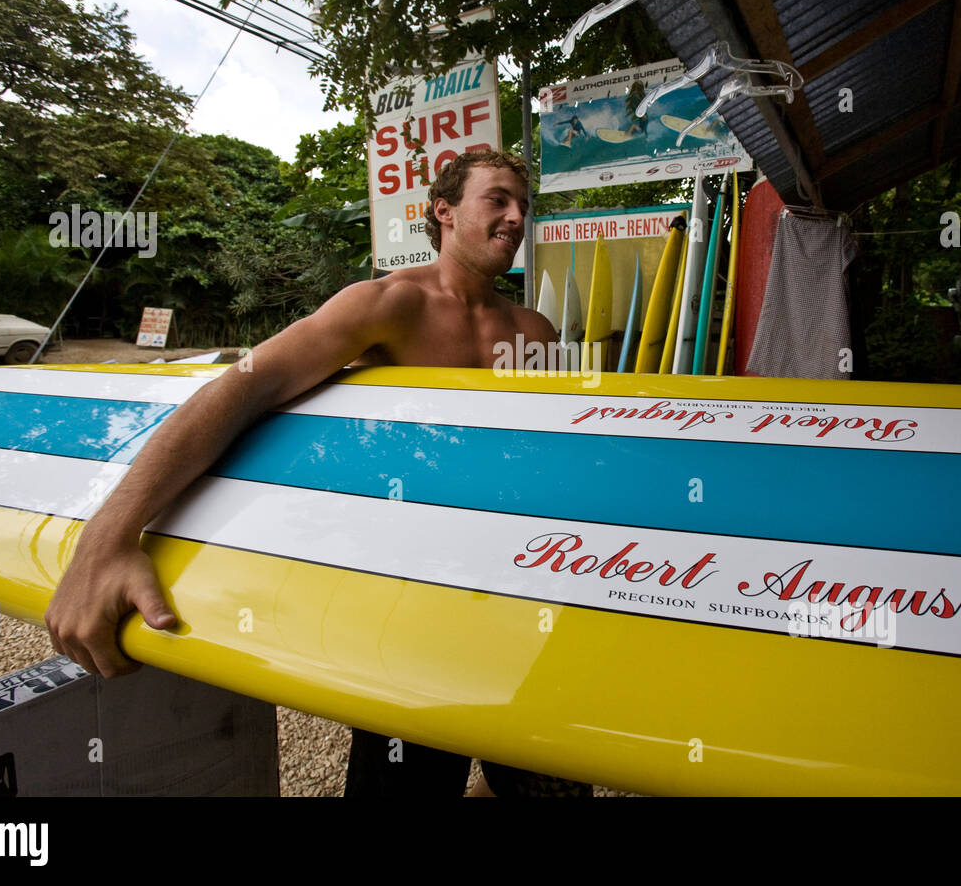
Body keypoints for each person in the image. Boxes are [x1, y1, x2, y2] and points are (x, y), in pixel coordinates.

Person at [45, 149, 591, 796]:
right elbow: (247, 386)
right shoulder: (389, 304)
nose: (515, 216)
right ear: (443, 211)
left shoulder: (534, 330)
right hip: (413, 600)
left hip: (517, 588)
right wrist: (108, 536)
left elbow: (549, 459)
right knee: (407, 781)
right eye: (496, 199)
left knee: (550, 784)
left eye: (523, 206)